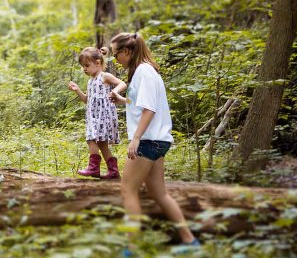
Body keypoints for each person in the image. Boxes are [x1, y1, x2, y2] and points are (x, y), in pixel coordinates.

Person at [108, 32, 199, 248]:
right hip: (158, 141)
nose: (115, 60)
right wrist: (122, 100)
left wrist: (135, 139)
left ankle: (132, 248)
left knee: (127, 190)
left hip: (148, 141)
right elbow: (141, 104)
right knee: (159, 193)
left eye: (116, 54)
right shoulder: (145, 71)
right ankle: (190, 240)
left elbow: (149, 109)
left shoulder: (144, 72)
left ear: (127, 51)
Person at [68, 46, 127, 179]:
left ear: (98, 63)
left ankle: (93, 168)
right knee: (101, 143)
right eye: (83, 66)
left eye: (87, 65)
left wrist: (115, 92)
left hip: (104, 115)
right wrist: (77, 90)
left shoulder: (104, 76)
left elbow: (122, 83)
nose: (84, 69)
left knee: (91, 139)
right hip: (93, 116)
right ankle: (113, 171)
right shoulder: (90, 82)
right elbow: (86, 100)